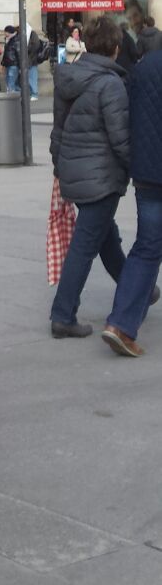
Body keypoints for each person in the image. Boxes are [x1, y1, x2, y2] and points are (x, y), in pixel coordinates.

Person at [49, 17, 129, 338]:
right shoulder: (111, 83)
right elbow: (121, 138)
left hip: (74, 170)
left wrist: (59, 165)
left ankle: (136, 285)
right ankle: (63, 314)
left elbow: (58, 129)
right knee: (85, 245)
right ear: (116, 48)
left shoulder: (69, 76)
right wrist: (135, 168)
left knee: (104, 234)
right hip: (101, 175)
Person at [102, 49, 162, 356]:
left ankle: (120, 325)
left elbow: (129, 118)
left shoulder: (145, 65)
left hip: (148, 173)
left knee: (146, 248)